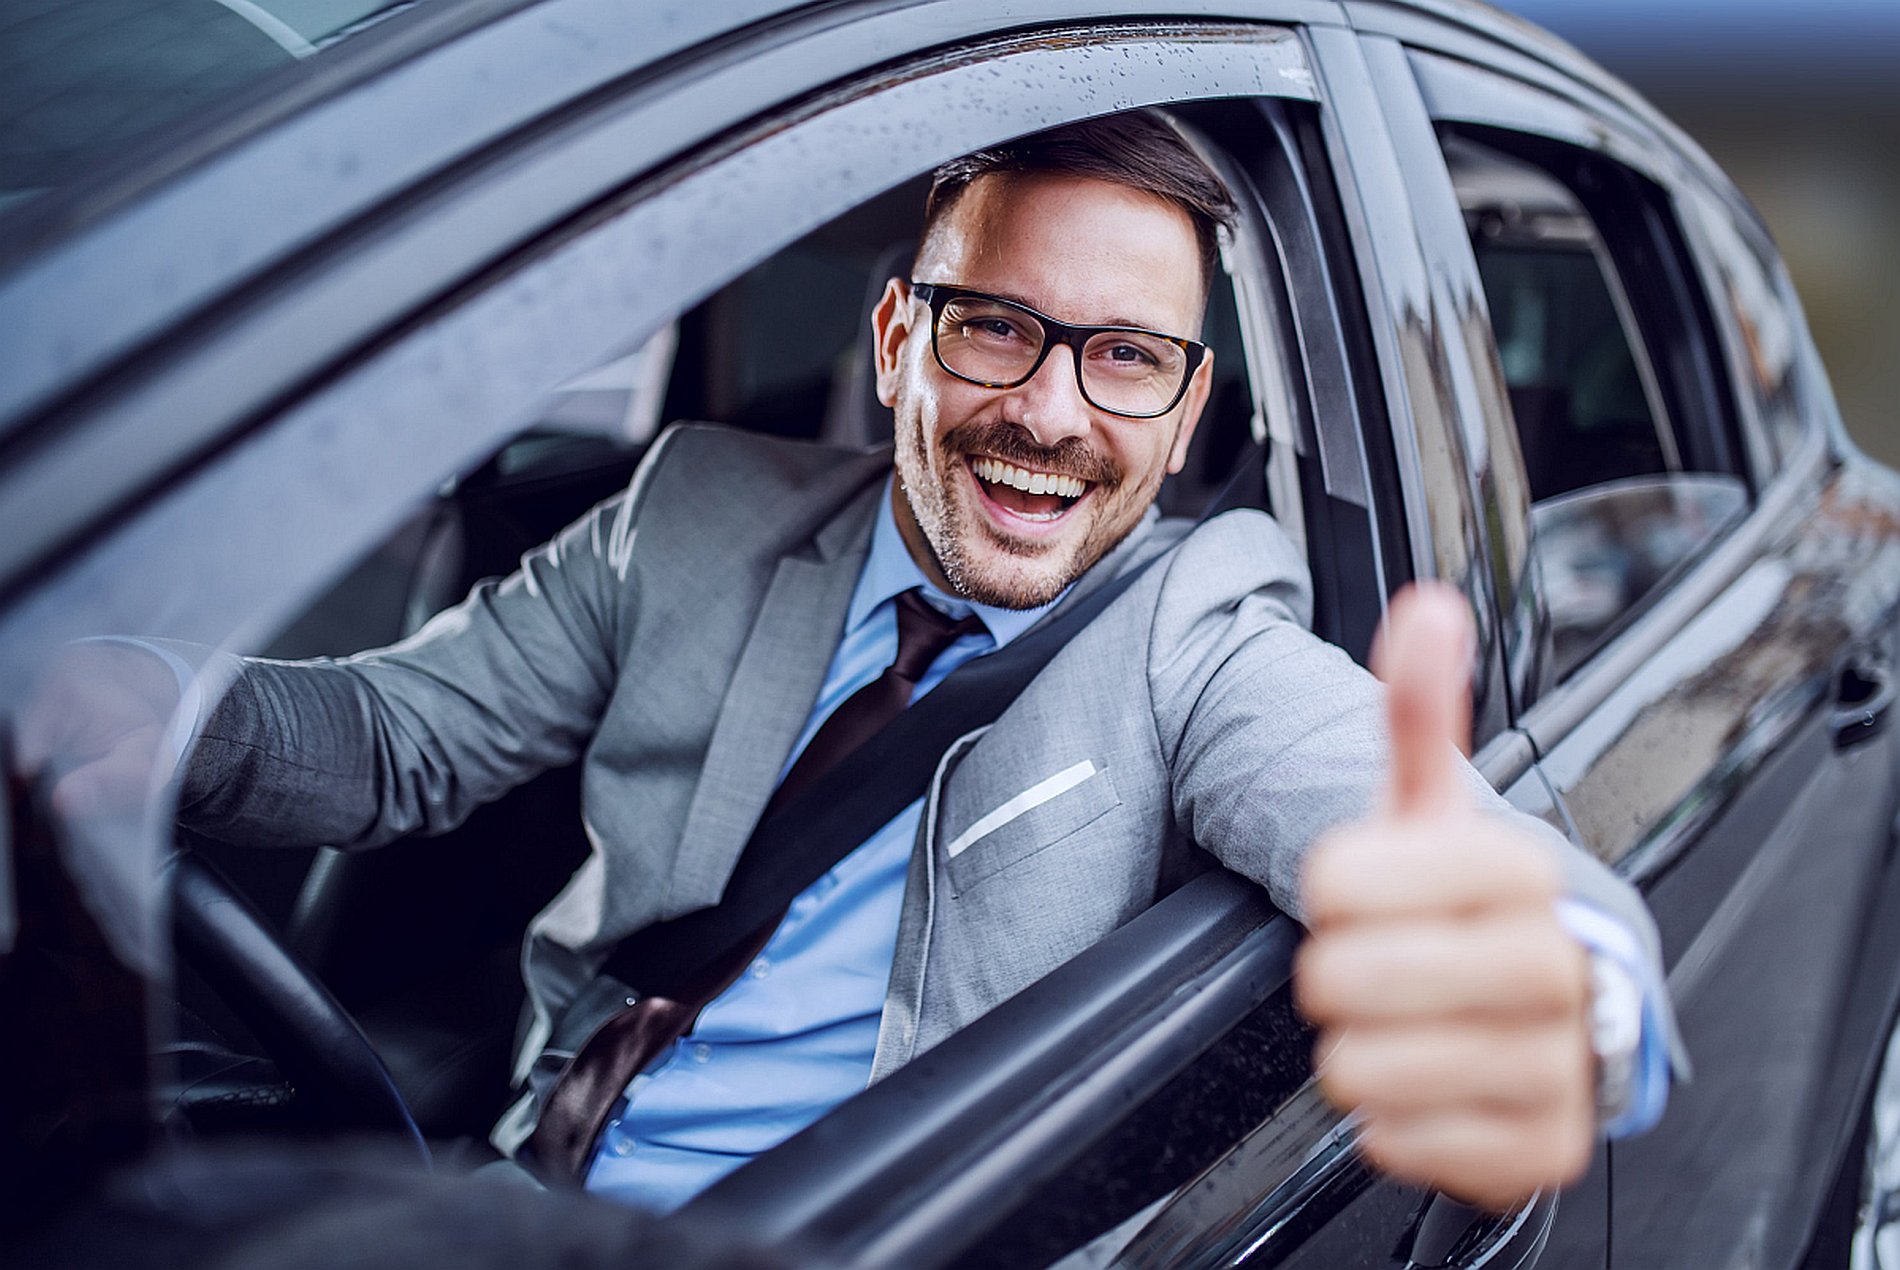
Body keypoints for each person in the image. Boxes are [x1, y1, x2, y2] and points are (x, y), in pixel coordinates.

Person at [23, 112, 1674, 1218]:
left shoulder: (1201, 636)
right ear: (896, 342)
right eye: (994, 326)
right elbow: (394, 739)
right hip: (525, 1197)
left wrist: (1561, 981)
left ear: (1181, 422)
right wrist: (156, 698)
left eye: (1127, 360)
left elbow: (1455, 853)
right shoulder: (687, 513)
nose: (1047, 409)